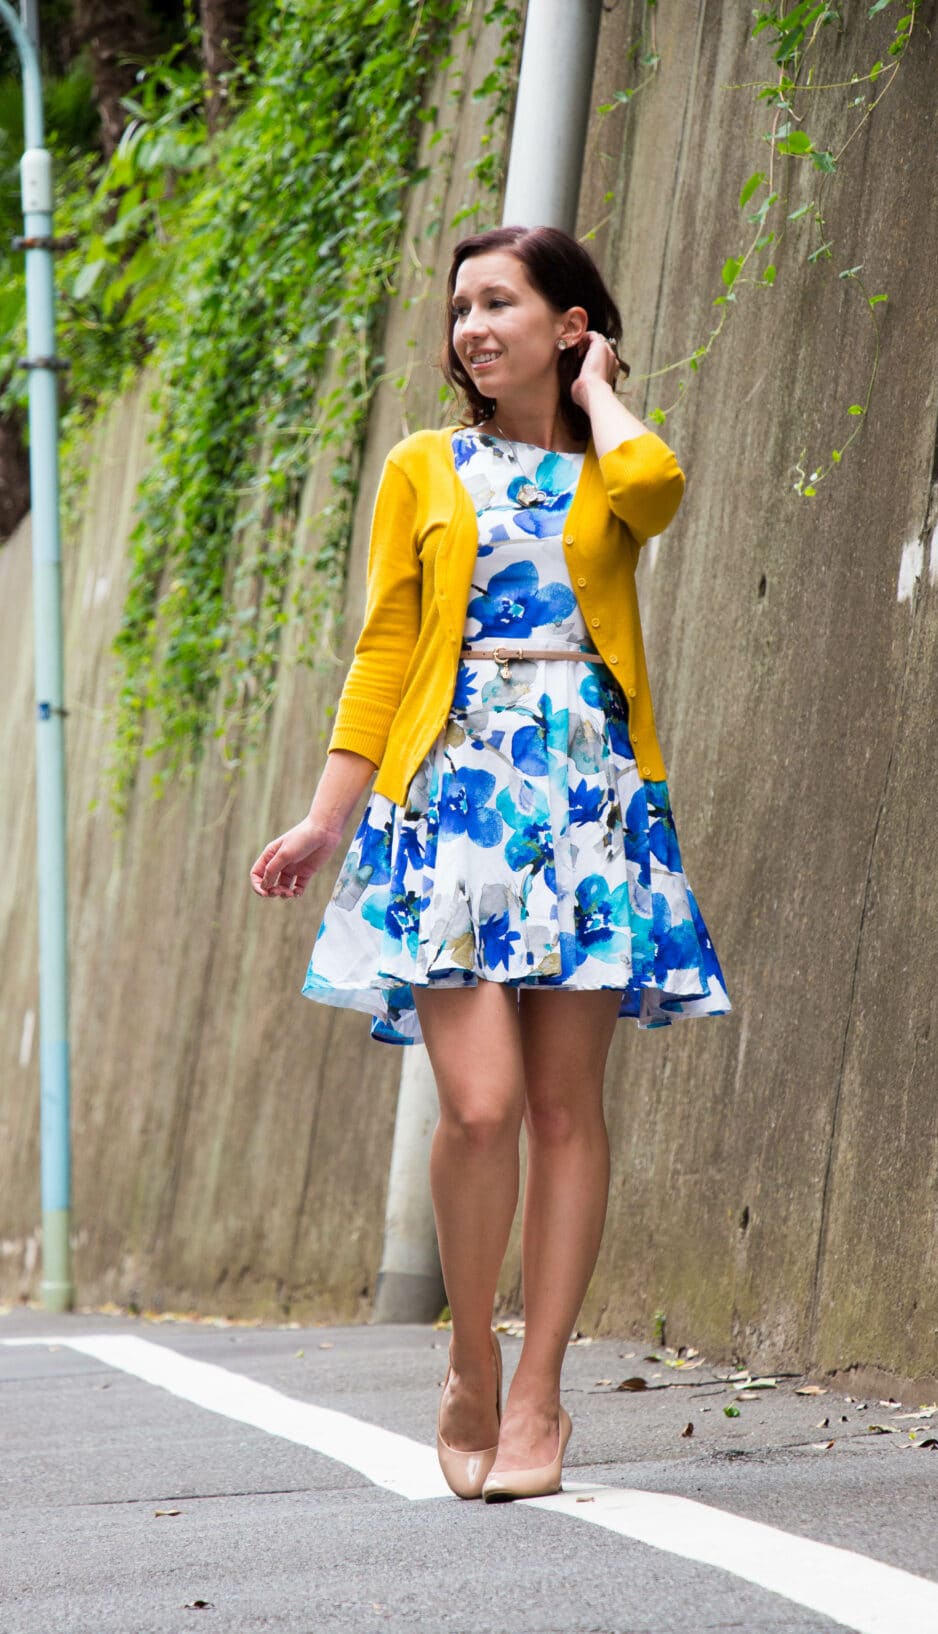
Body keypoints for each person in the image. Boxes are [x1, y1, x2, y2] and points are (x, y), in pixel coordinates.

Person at [250, 225, 730, 1502]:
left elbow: (661, 488)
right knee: (480, 1105)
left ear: (568, 323)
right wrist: (325, 817)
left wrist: (599, 394)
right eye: (461, 306)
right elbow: (385, 648)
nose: (471, 326)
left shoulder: (609, 468)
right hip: (456, 794)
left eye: (500, 303)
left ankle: (539, 1395)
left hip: (588, 798)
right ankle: (472, 1353)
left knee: (570, 1108)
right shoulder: (423, 465)